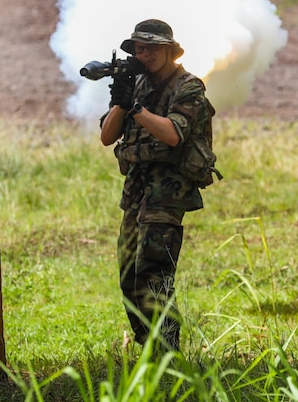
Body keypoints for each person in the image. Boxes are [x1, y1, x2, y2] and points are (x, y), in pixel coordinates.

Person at [100, 19, 213, 352]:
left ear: (169, 51)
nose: (144, 54)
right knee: (127, 276)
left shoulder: (188, 86)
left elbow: (173, 134)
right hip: (136, 191)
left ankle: (168, 352)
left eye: (151, 48)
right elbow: (107, 137)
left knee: (153, 274)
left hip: (168, 192)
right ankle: (149, 345)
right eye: (139, 48)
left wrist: (135, 108)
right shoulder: (135, 85)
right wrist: (122, 100)